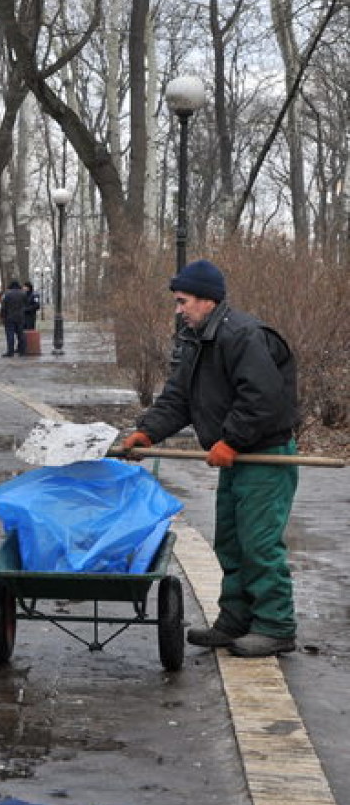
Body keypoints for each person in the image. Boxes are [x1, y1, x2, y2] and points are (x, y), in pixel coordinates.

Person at [121, 259, 299, 658]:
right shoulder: (196, 340)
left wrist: (232, 441)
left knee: (259, 543)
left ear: (207, 300)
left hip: (265, 457)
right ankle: (235, 620)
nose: (178, 309)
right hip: (237, 458)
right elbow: (179, 398)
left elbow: (263, 397)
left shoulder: (242, 335)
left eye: (183, 301)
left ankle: (275, 625)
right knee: (231, 542)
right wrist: (147, 431)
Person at [0, 280, 27, 356]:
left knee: (10, 335)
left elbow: (3, 307)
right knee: (21, 334)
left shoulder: (7, 294)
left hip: (9, 317)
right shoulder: (23, 294)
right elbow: (26, 304)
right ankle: (22, 351)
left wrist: (2, 316)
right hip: (20, 317)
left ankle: (10, 352)